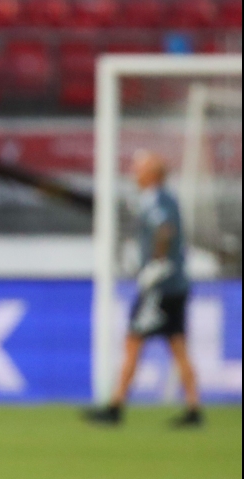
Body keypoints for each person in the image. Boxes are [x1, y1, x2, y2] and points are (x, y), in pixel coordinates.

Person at [83, 150, 203, 427]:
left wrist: (156, 263)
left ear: (152, 175)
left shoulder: (158, 200)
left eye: (140, 168)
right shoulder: (158, 199)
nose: (134, 173)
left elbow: (164, 230)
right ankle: (194, 408)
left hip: (160, 287)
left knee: (133, 341)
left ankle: (116, 406)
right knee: (178, 345)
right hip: (174, 285)